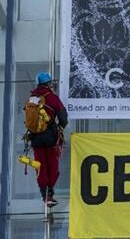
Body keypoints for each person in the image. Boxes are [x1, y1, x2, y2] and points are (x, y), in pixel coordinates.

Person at [26, 72, 69, 208]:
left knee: (40, 165)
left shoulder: (32, 98)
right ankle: (50, 191)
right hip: (50, 138)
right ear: (48, 83)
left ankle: (44, 192)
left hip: (35, 139)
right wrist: (60, 128)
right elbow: (63, 117)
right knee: (53, 166)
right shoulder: (52, 98)